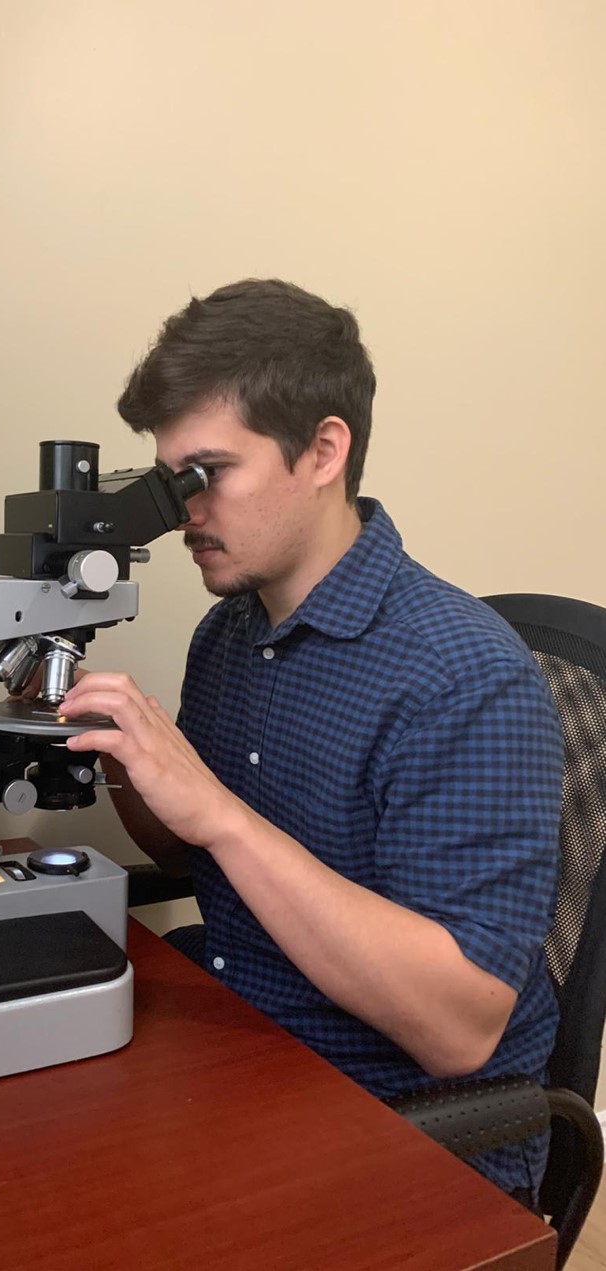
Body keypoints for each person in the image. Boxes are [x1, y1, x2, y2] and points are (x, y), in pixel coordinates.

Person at [56, 278, 563, 1204]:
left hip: (401, 1134)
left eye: (207, 473)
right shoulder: (232, 631)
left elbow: (459, 1029)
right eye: (172, 481)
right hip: (241, 1053)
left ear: (324, 449)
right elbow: (193, 848)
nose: (182, 513)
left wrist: (218, 812)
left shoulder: (464, 674)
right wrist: (127, 759)